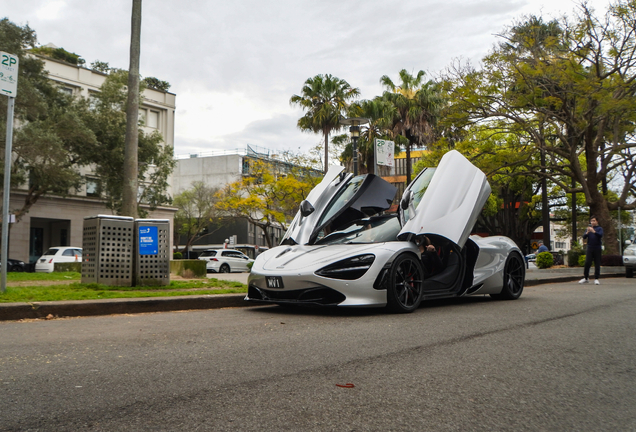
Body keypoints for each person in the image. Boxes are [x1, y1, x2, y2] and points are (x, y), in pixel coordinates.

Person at [579, 216, 603, 285]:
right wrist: (587, 232)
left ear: (597, 221)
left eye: (594, 221)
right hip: (590, 247)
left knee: (597, 263)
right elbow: (584, 237)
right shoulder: (588, 229)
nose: (592, 222)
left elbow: (600, 235)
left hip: (597, 247)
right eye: (591, 221)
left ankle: (596, 278)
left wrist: (594, 232)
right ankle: (586, 277)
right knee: (587, 263)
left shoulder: (599, 229)